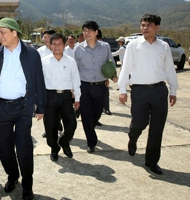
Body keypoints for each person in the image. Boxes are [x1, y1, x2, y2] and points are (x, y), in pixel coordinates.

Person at [0, 17, 46, 200]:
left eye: (3, 32)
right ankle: (13, 175)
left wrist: (41, 107)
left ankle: (28, 184)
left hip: (22, 106)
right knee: (3, 147)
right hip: (0, 108)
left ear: (15, 33)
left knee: (24, 147)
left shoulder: (31, 54)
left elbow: (39, 81)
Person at [118, 13, 178, 175]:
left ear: (157, 27)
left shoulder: (164, 46)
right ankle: (133, 137)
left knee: (157, 129)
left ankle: (151, 161)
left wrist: (173, 90)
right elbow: (126, 69)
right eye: (143, 25)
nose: (144, 28)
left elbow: (170, 69)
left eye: (148, 25)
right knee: (140, 122)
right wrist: (122, 90)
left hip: (159, 90)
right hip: (139, 91)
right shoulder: (133, 45)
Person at [74, 21, 117, 153]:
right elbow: (74, 69)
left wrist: (112, 76)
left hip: (100, 85)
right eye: (85, 30)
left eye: (90, 30)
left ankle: (90, 128)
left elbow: (110, 62)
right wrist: (73, 88)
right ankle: (91, 141)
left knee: (97, 113)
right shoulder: (78, 48)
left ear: (96, 32)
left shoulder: (105, 47)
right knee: (86, 115)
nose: (87, 33)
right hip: (84, 86)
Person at [42, 33, 80, 162]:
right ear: (50, 45)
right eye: (54, 44)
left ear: (64, 45)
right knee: (50, 125)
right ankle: (54, 148)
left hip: (66, 96)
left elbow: (76, 80)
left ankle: (64, 141)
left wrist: (77, 98)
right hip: (50, 96)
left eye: (60, 44)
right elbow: (40, 81)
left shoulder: (70, 61)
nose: (57, 46)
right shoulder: (44, 61)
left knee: (71, 124)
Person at [97, 30, 112, 117]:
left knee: (105, 94)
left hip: (103, 77)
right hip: (89, 79)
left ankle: (106, 108)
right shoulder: (82, 47)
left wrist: (108, 76)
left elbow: (109, 62)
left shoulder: (105, 46)